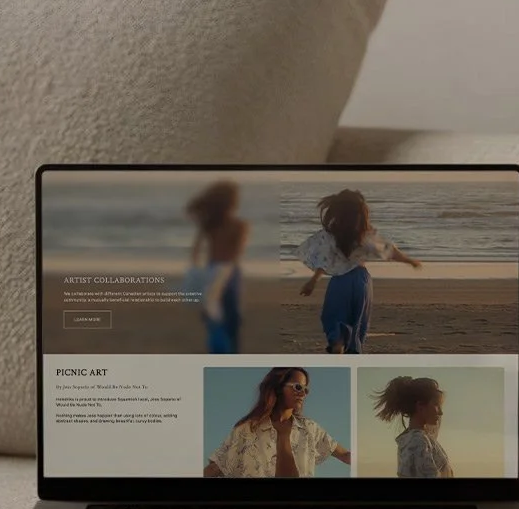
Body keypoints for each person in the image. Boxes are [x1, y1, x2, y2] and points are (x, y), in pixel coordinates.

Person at [297, 189, 421, 354]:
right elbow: (389, 251)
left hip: (340, 282)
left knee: (335, 318)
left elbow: (324, 261)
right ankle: (350, 349)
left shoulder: (331, 235)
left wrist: (312, 282)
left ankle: (338, 344)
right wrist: (409, 261)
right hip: (362, 281)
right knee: (357, 321)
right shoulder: (365, 234)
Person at [204, 368, 351, 479]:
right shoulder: (247, 429)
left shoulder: (309, 428)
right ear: (279, 387)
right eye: (298, 387)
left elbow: (345, 455)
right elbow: (216, 467)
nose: (303, 393)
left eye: (306, 390)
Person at [185, 180, 249, 353]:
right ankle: (229, 353)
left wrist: (196, 272)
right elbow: (236, 252)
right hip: (228, 270)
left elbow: (196, 250)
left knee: (215, 313)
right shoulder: (238, 225)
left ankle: (220, 352)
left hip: (213, 269)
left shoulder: (210, 225)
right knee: (230, 315)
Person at [372, 375, 455, 478]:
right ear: (420, 406)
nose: (441, 412)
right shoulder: (418, 442)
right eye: (436, 405)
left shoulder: (413, 439)